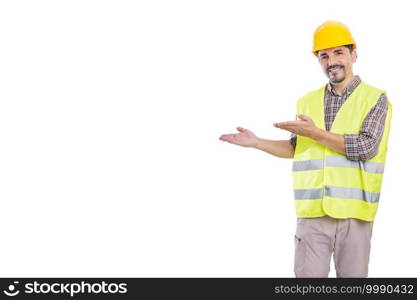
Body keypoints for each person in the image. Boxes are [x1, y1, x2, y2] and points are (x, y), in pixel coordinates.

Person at [218, 20, 392, 278]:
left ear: (353, 54)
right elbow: (295, 148)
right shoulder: (307, 101)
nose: (331, 61)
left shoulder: (375, 98)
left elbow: (366, 146)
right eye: (324, 55)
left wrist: (316, 133)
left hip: (355, 215)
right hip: (312, 214)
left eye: (338, 52)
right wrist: (257, 142)